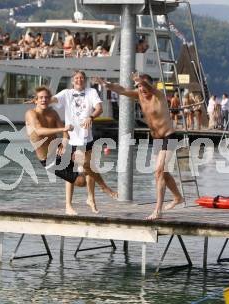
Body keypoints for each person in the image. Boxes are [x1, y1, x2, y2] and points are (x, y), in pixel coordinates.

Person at [95, 73, 184, 220]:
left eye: (143, 85)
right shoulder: (139, 95)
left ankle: (158, 210)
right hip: (156, 139)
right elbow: (122, 90)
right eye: (139, 86)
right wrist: (107, 85)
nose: (141, 89)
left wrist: (141, 81)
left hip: (169, 136)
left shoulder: (158, 95)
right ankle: (177, 197)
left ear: (150, 85)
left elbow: (149, 87)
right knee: (164, 173)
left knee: (158, 172)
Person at [50, 70, 117, 214]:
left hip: (87, 137)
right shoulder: (66, 93)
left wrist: (91, 117)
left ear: (84, 80)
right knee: (73, 171)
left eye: (81, 78)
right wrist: (39, 100)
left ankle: (91, 199)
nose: (79, 80)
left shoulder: (91, 91)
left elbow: (99, 109)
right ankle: (69, 204)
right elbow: (52, 100)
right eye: (76, 78)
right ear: (73, 81)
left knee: (88, 168)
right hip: (71, 138)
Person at [26, 86, 88, 215]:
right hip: (48, 159)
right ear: (36, 100)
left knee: (84, 156)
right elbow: (39, 130)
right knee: (81, 182)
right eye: (41, 98)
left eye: (46, 98)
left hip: (59, 149)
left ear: (49, 100)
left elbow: (66, 133)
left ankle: (69, 206)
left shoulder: (52, 113)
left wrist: (64, 143)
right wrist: (62, 130)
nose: (44, 100)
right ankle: (78, 176)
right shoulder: (31, 114)